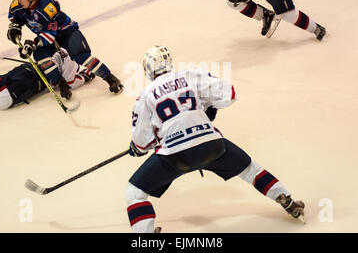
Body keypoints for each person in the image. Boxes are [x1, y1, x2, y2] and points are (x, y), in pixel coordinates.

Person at [125, 45, 305, 233]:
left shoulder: (144, 95)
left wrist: (137, 148)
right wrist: (209, 107)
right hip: (211, 144)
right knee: (251, 170)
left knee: (134, 193)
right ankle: (288, 201)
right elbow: (229, 93)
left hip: (175, 155)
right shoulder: (191, 75)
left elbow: (142, 142)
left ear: (147, 68)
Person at [6, 0, 123, 95]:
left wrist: (34, 43)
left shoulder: (47, 7)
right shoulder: (17, 4)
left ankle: (110, 78)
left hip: (66, 31)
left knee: (81, 56)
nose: (19, 0)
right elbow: (15, 17)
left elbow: (50, 35)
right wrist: (15, 26)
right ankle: (62, 84)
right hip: (45, 34)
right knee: (40, 55)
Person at [0, 42, 93, 110]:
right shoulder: (67, 57)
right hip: (30, 80)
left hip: (22, 70)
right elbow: (72, 82)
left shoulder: (51, 44)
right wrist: (86, 75)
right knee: (3, 102)